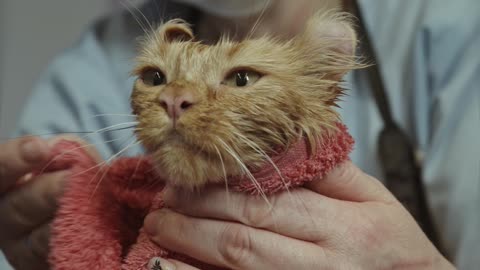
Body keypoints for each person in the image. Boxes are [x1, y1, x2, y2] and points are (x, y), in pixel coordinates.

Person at [0, 0, 478, 269]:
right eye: (154, 79)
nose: (177, 98)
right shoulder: (95, 63)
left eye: (242, 79)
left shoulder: (449, 24)